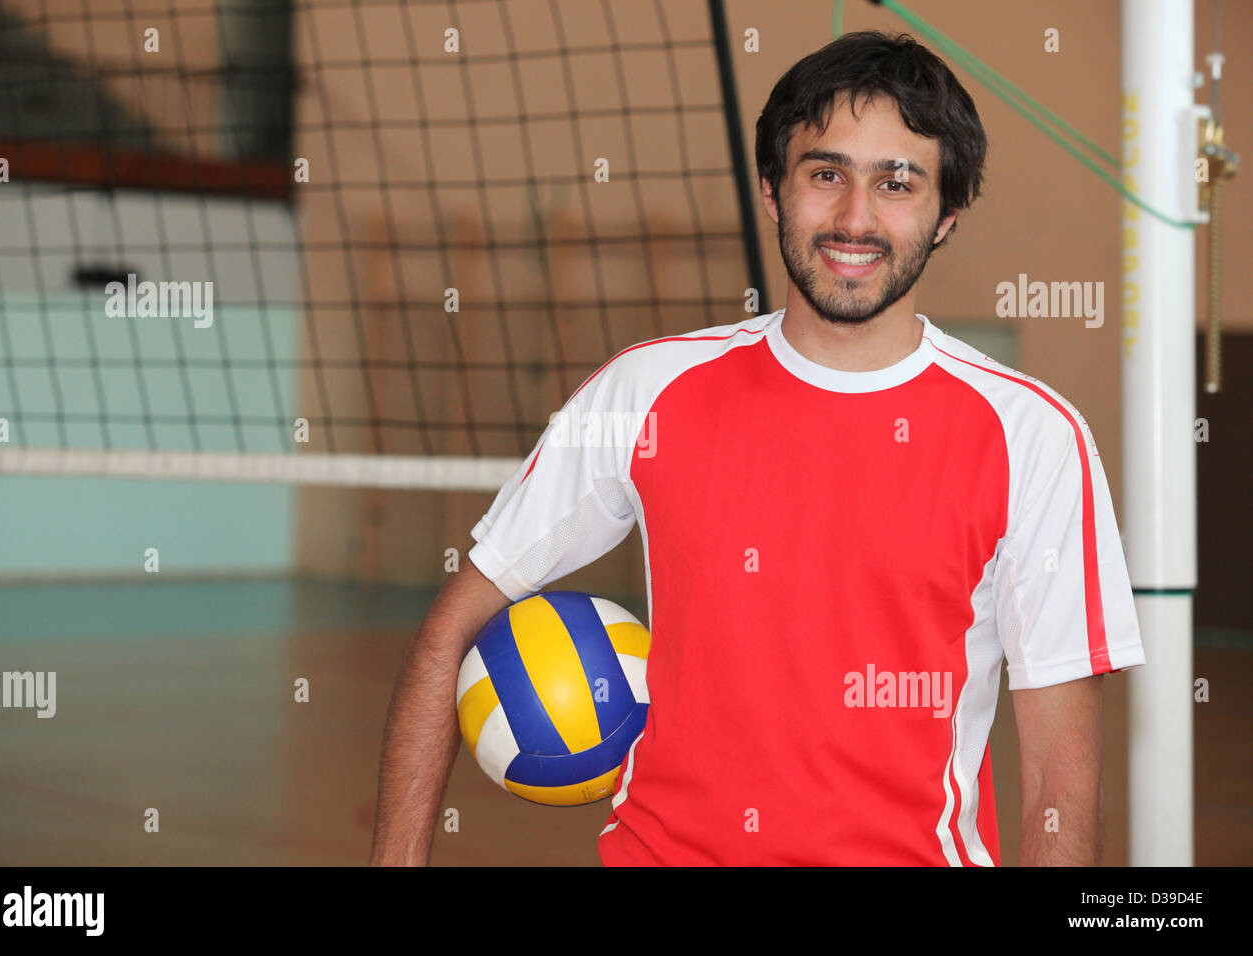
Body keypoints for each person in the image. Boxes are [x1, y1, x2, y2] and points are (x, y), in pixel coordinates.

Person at [370, 30, 1145, 866]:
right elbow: (453, 626)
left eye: (896, 182)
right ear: (774, 192)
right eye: (826, 174)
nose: (855, 217)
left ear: (946, 213)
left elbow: (1059, 786)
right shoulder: (646, 391)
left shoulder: (1030, 433)